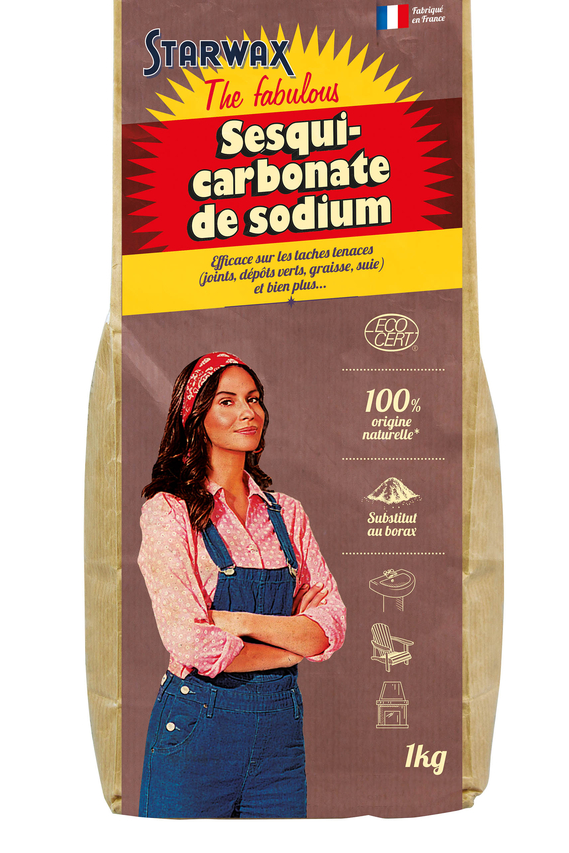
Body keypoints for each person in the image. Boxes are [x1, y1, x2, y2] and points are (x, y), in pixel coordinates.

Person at [137, 351, 346, 818]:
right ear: (196, 416)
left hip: (280, 741)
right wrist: (290, 649)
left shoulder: (288, 514)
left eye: (253, 399)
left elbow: (329, 627)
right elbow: (191, 642)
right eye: (227, 401)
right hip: (196, 731)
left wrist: (240, 621)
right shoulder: (170, 511)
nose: (247, 412)